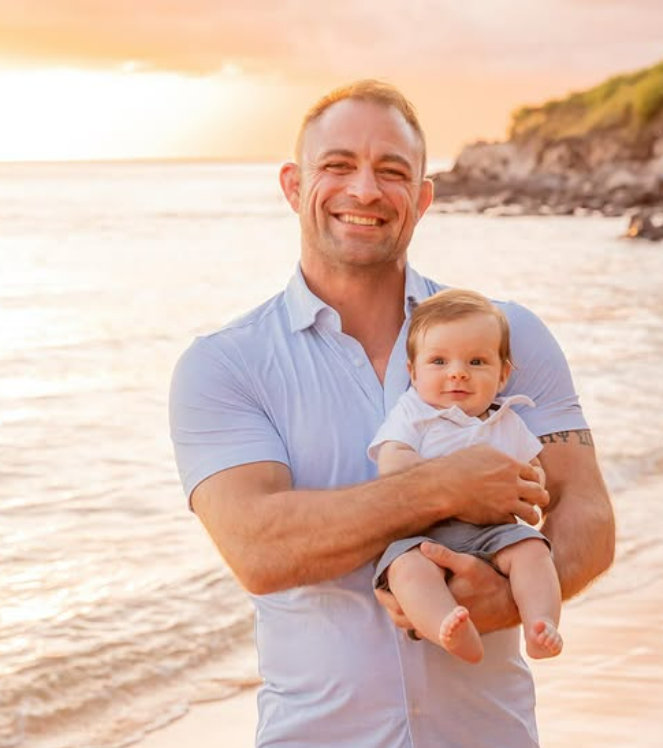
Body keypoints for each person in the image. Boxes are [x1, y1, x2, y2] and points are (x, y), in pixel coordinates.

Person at [169, 79, 615, 748]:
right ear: (294, 185)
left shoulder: (507, 336)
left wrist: (509, 600)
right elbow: (259, 547)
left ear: (423, 198)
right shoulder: (224, 365)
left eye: (392, 171)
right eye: (339, 165)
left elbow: (588, 513)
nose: (366, 191)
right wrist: (440, 487)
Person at [370, 288, 562, 664]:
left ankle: (540, 624)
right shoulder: (413, 412)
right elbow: (392, 465)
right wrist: (453, 484)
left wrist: (533, 489)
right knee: (405, 570)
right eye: (439, 361)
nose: (457, 372)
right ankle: (449, 629)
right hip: (422, 534)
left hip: (494, 532)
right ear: (413, 372)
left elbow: (534, 474)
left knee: (533, 551)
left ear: (503, 374)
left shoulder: (505, 419)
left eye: (476, 362)